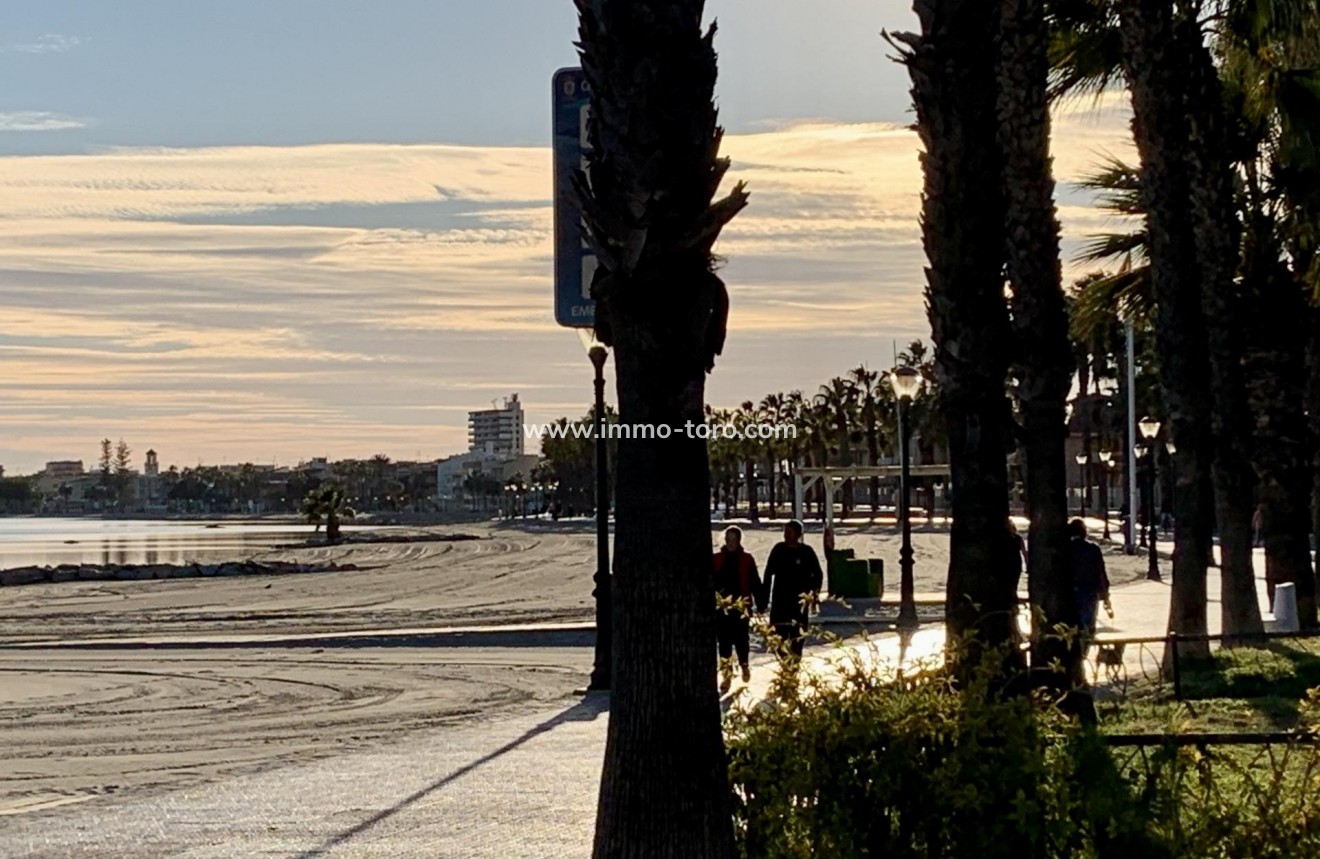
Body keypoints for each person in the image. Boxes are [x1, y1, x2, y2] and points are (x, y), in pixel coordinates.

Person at [761, 519, 824, 671]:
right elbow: (768, 573)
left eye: (789, 532)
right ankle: (785, 664)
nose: (786, 535)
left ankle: (794, 665)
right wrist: (763, 599)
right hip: (780, 601)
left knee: (798, 637)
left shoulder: (806, 552)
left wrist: (814, 594)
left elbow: (818, 574)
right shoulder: (778, 550)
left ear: (798, 534)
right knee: (778, 635)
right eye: (785, 532)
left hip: (799, 604)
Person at [713, 526, 763, 693]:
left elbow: (755, 582)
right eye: (728, 539)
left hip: (741, 606)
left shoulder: (747, 560)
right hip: (722, 608)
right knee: (724, 643)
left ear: (739, 541)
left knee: (742, 640)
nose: (730, 543)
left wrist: (761, 604)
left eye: (733, 539)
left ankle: (744, 665)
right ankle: (726, 675)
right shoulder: (716, 559)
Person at [1069, 518, 1110, 649]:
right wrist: (1105, 595)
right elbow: (1101, 573)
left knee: (1072, 625)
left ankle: (1074, 651)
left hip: (1069, 592)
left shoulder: (1065, 549)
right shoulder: (1093, 549)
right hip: (1089, 591)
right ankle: (1083, 651)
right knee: (1088, 624)